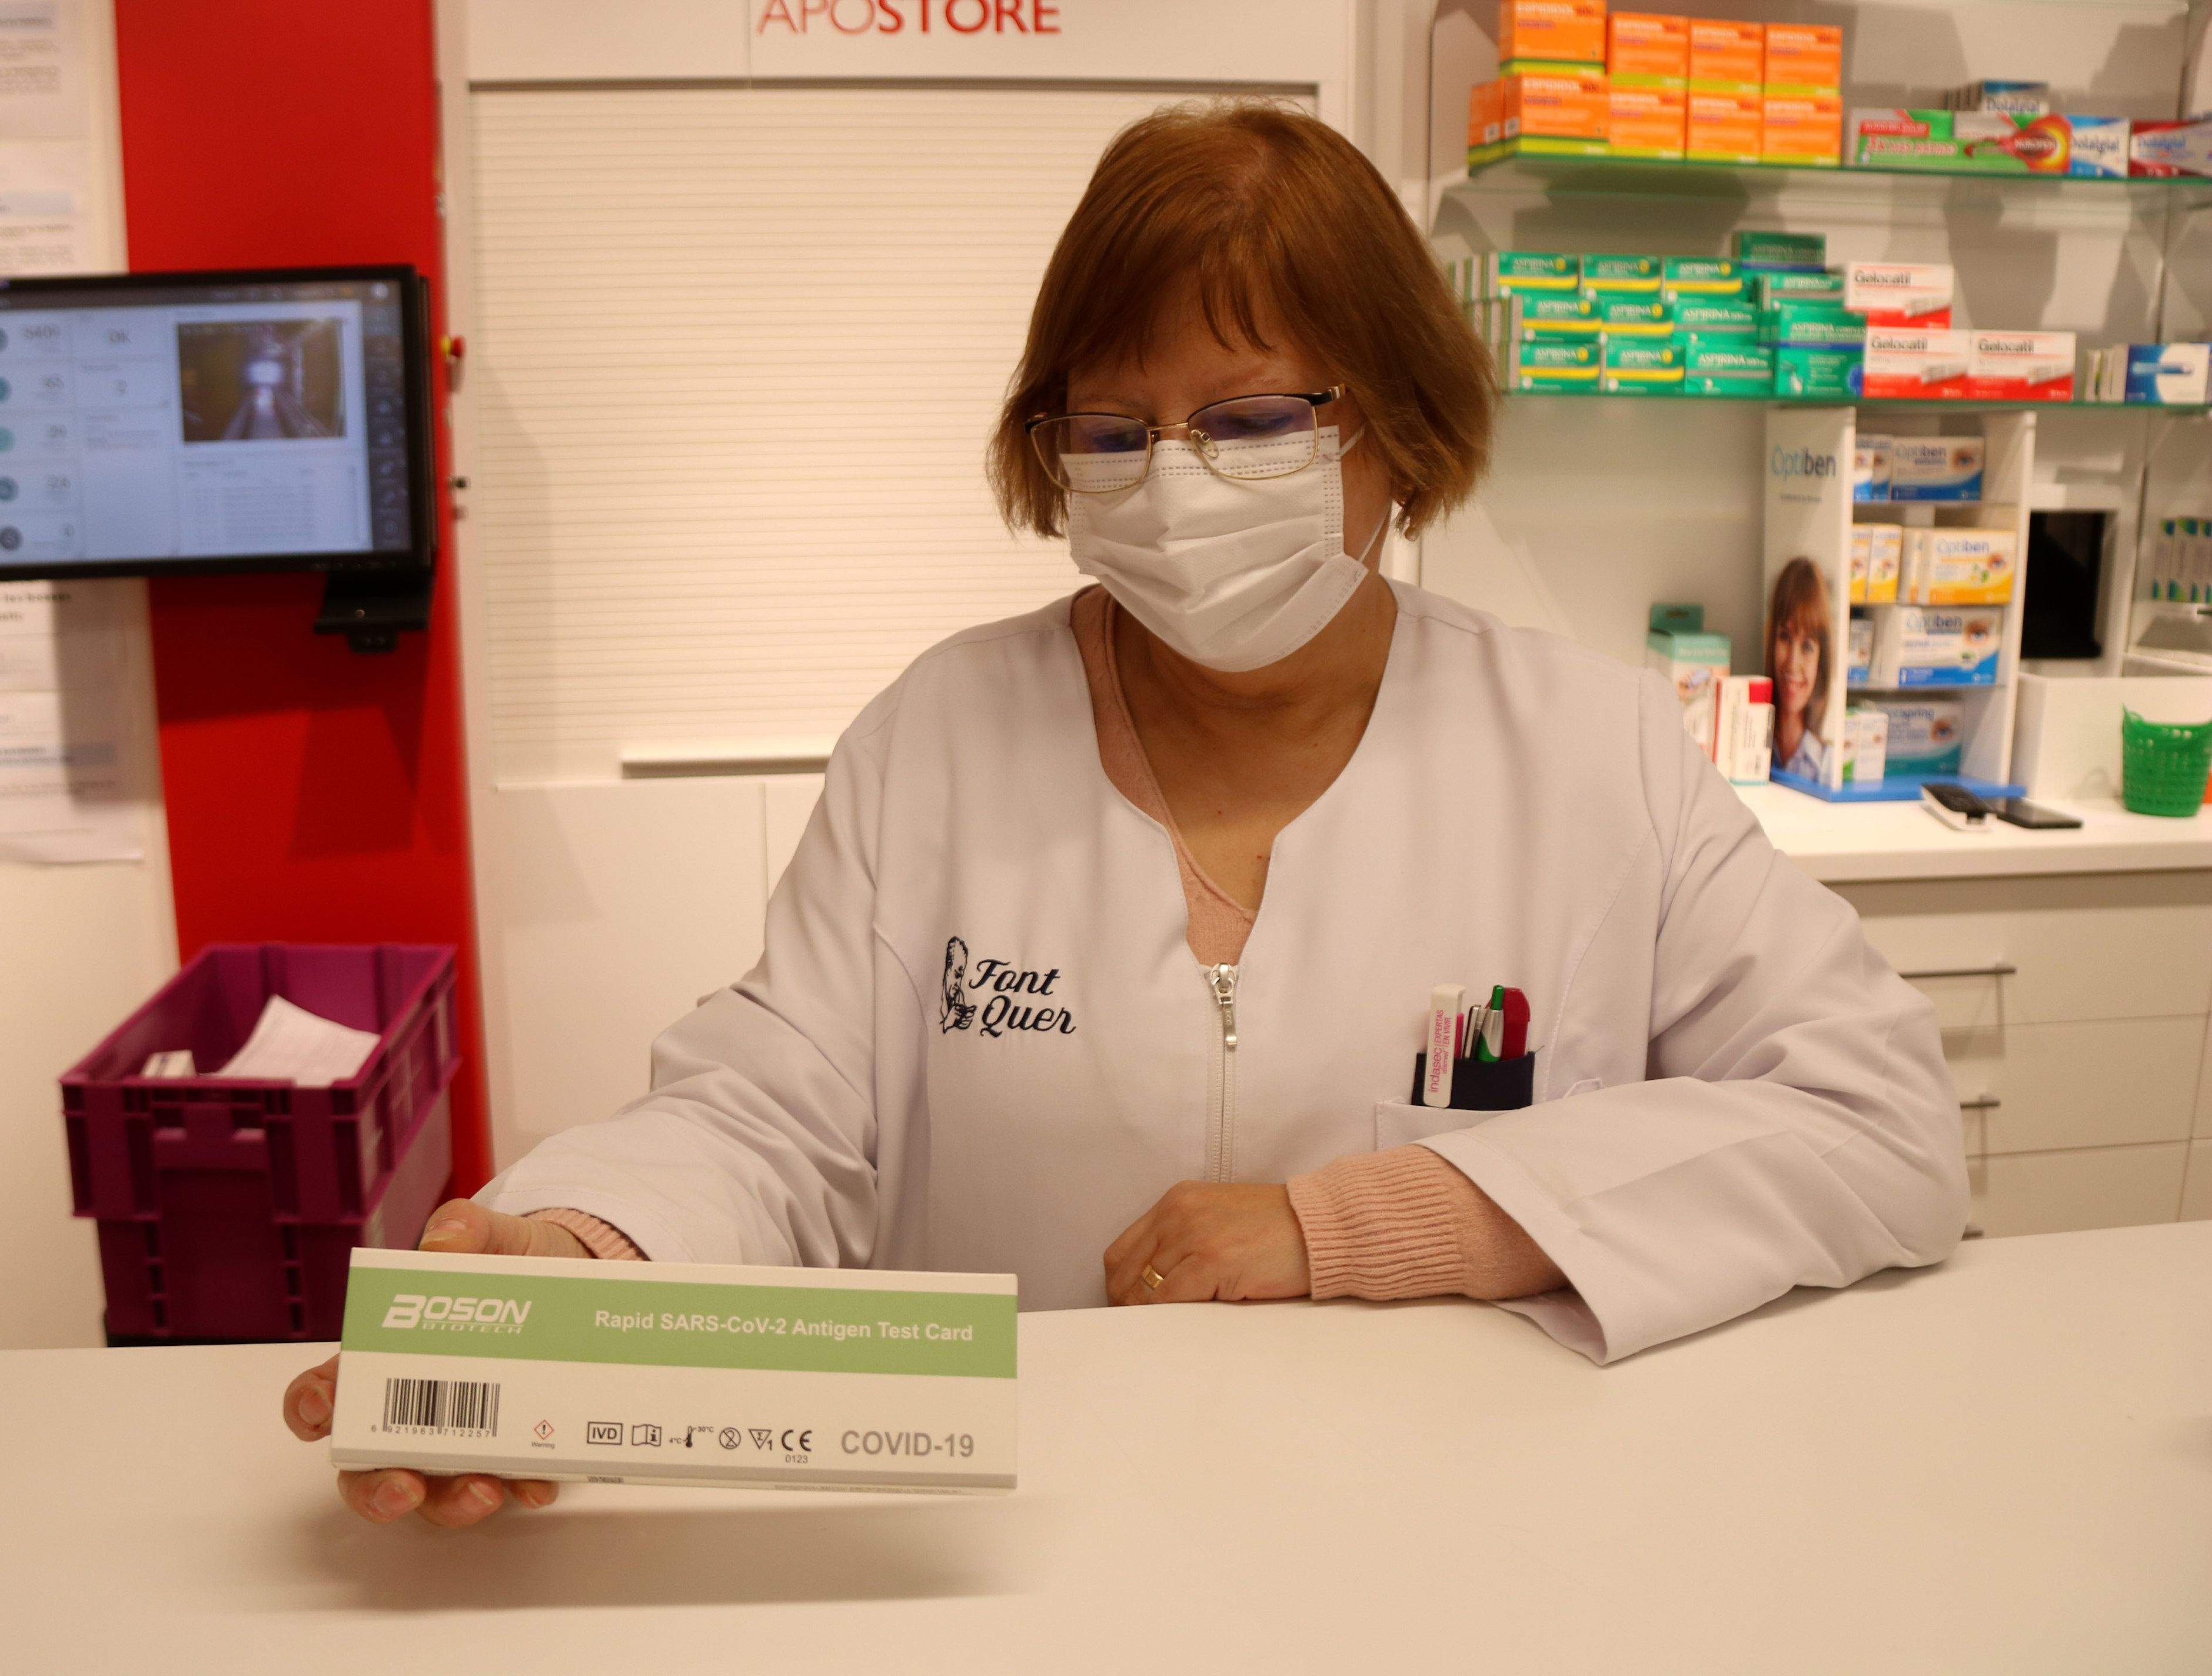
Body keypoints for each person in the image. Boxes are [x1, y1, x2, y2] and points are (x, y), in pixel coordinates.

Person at [284, 100, 1965, 1527]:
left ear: (1394, 425)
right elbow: (773, 1114)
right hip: (1027, 1542)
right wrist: (586, 1263)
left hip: (1464, 1524)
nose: (1171, 481)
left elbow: (1880, 1126)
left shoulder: (1586, 748)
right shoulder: (942, 737)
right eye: (1113, 428)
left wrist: (1372, 1224)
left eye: (1246, 422)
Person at [1768, 557, 1832, 779]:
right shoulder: (1747, 745)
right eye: (1785, 637)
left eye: (1807, 646)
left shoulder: (1827, 766)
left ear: (1821, 660)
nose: (1793, 664)